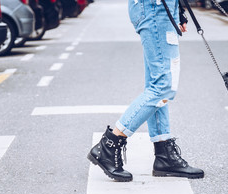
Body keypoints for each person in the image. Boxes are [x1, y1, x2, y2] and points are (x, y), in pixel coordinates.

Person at [87, 0, 204, 182]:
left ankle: (164, 154)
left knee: (157, 84)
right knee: (163, 86)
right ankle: (108, 145)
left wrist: (178, 9)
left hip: (159, 7)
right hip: (155, 7)